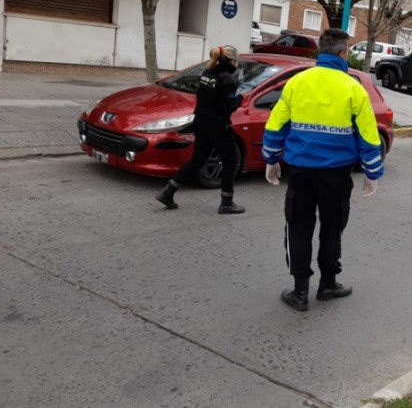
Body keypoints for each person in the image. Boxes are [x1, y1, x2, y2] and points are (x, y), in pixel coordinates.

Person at [261, 28, 384, 312]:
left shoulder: (297, 82)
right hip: (336, 174)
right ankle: (328, 285)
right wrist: (372, 172)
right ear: (342, 54)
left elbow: (276, 123)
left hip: (301, 171)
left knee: (298, 227)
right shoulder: (353, 87)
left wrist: (271, 158)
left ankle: (300, 292)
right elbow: (368, 136)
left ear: (321, 52)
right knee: (332, 228)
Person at [154, 45, 246, 214]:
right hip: (217, 126)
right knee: (230, 162)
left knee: (197, 159)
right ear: (233, 60)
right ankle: (227, 202)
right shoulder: (228, 79)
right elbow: (227, 107)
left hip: (201, 122)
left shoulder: (207, 73)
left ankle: (168, 192)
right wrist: (240, 97)